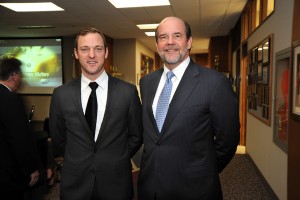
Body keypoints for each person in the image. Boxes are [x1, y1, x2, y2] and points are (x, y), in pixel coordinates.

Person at [137, 16, 240, 200]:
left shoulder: (215, 83)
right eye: (163, 37)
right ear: (157, 44)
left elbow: (228, 140)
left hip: (195, 188)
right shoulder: (146, 83)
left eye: (177, 35)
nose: (170, 42)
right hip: (151, 185)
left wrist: (204, 170)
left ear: (189, 41)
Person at [49, 27, 143, 200]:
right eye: (85, 49)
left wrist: (116, 157)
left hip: (116, 183)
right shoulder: (61, 94)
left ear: (106, 52)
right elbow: (58, 138)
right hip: (75, 184)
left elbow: (136, 136)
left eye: (98, 49)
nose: (91, 55)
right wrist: (78, 157)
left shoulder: (127, 92)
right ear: (76, 53)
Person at [0, 57, 40, 200]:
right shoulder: (10, 99)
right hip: (7, 173)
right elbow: (19, 138)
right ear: (13, 76)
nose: (21, 78)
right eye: (20, 75)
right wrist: (31, 168)